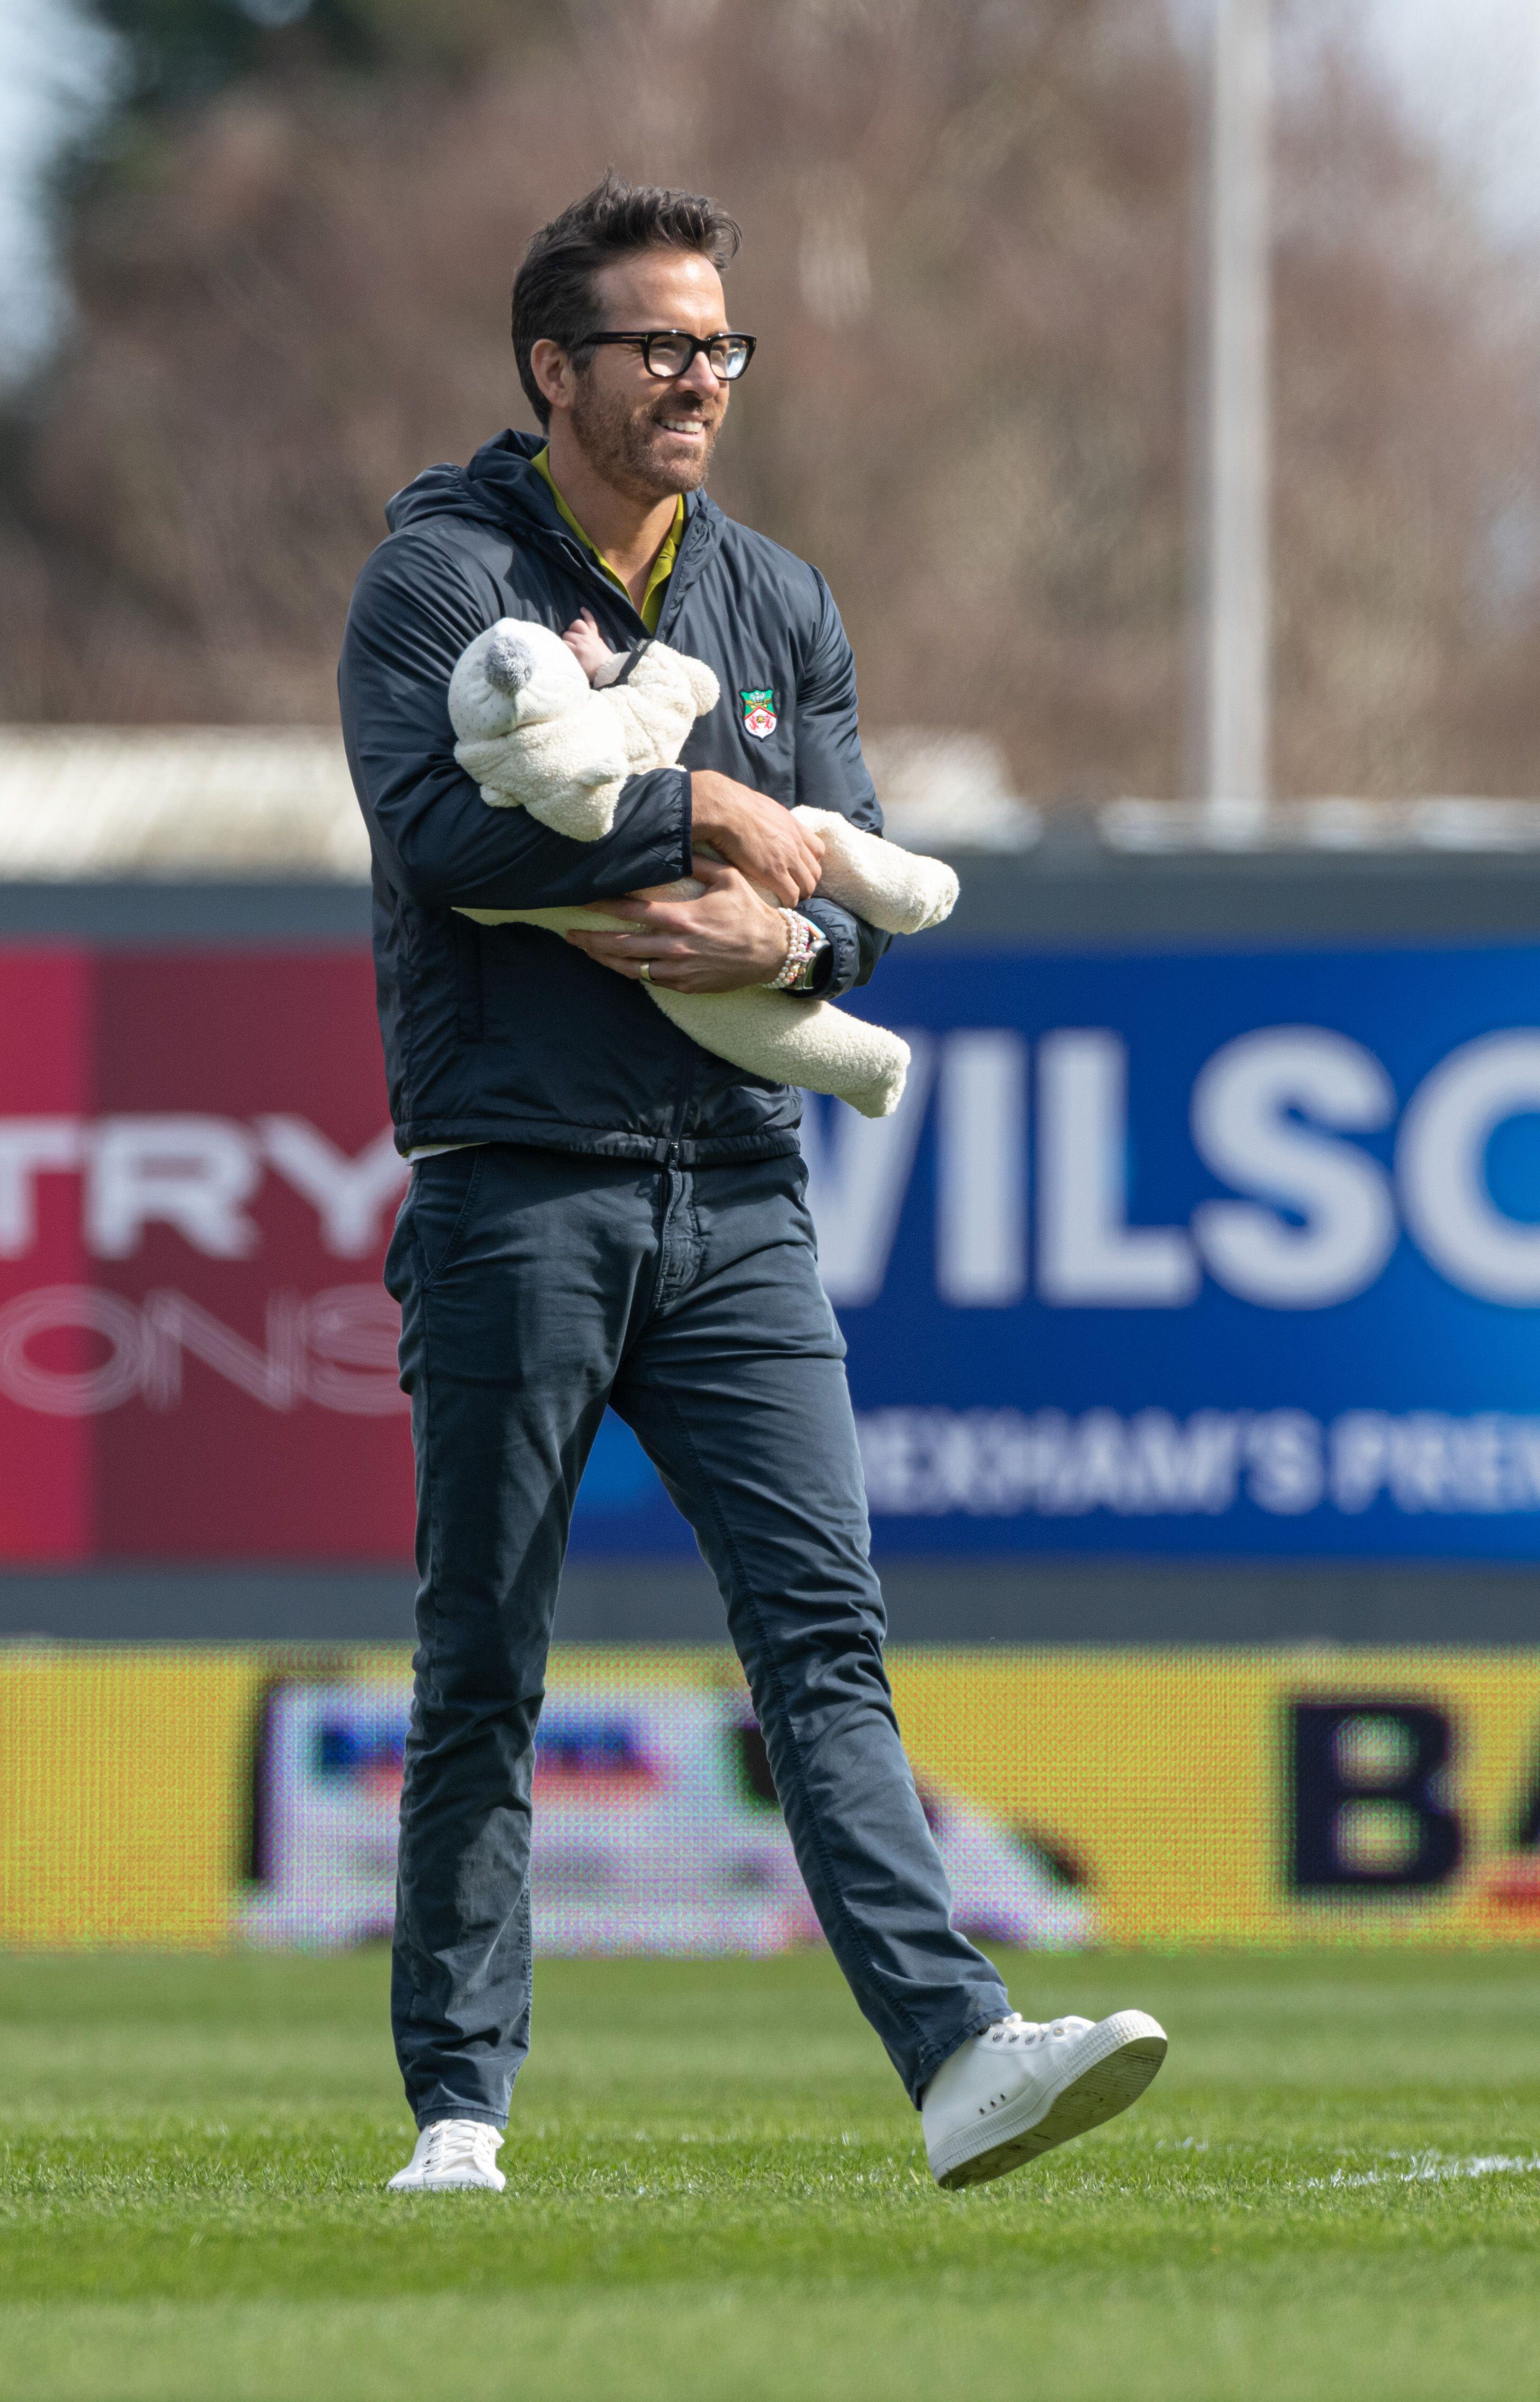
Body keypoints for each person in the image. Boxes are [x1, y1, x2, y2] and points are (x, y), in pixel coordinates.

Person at [337, 173, 1168, 2196]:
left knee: (826, 1637)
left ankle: (963, 2051)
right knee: (484, 1658)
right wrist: (700, 806)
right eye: (662, 345)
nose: (702, 376)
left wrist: (788, 952)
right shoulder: (439, 577)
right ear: (558, 369)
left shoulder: (779, 596)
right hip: (513, 1189)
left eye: (723, 344)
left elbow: (862, 881)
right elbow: (443, 833)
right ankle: (461, 2105)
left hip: (739, 1188)